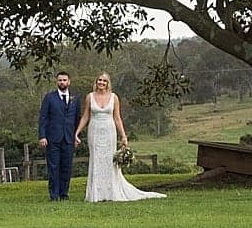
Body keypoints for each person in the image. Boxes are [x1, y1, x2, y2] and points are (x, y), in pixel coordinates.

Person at [75, 72, 165, 202]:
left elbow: (117, 118)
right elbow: (85, 116)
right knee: (96, 160)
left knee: (109, 161)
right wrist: (77, 132)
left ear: (108, 83)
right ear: (96, 82)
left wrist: (123, 136)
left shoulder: (114, 97)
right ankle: (96, 194)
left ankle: (111, 192)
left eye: (104, 81)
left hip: (109, 131)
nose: (101, 83)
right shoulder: (90, 97)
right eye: (99, 80)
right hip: (94, 131)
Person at [36, 70, 79, 202]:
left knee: (66, 167)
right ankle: (54, 195)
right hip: (53, 138)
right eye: (60, 80)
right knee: (54, 167)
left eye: (64, 80)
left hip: (68, 138)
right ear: (57, 82)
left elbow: (78, 118)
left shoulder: (75, 99)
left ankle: (64, 194)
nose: (62, 82)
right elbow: (43, 118)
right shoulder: (49, 98)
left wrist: (76, 135)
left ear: (69, 82)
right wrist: (42, 136)